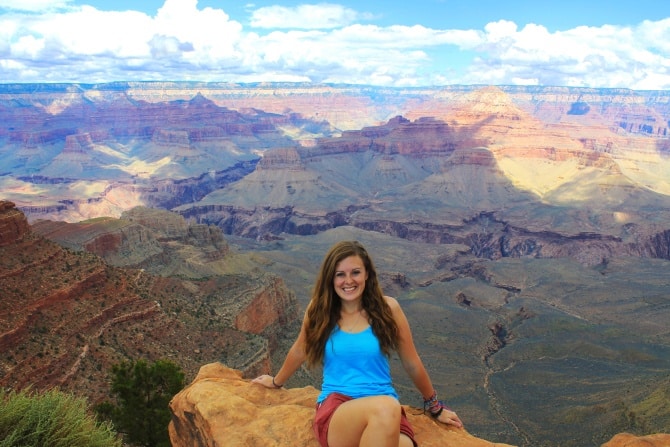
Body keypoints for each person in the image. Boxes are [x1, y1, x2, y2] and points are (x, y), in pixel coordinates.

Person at [253, 240, 463, 447]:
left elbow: (411, 362)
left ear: (367, 274)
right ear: (331, 278)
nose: (348, 281)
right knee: (386, 407)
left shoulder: (388, 309)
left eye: (355, 272)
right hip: (338, 409)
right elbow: (300, 349)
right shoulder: (319, 310)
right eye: (340, 274)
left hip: (385, 411)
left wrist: (435, 407)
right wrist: (276, 382)